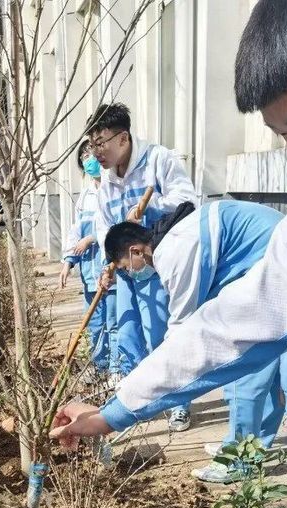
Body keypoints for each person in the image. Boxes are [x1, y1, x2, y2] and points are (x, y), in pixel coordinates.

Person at [50, 0, 287, 508]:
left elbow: (199, 322)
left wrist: (131, 401)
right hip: (269, 303)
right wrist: (119, 407)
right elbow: (228, 325)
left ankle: (244, 454)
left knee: (272, 380)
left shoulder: (178, 243)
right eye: (284, 137)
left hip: (261, 299)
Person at [103, 199, 287, 482]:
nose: (130, 273)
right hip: (272, 262)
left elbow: (182, 329)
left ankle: (239, 457)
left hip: (273, 268)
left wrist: (141, 386)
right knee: (266, 367)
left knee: (246, 369)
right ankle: (254, 447)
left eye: (125, 267)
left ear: (135, 250)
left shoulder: (174, 252)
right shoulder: (176, 235)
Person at [89, 101, 198, 431]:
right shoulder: (107, 181)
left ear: (122, 139)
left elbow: (188, 201)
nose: (96, 153)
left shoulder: (157, 160)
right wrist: (108, 264)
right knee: (128, 335)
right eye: (92, 145)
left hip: (154, 265)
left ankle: (178, 401)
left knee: (160, 336)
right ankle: (137, 400)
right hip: (124, 270)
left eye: (100, 143)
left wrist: (149, 209)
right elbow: (102, 225)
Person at [59, 140, 119, 376]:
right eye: (83, 157)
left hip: (111, 272)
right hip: (89, 274)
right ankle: (100, 367)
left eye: (91, 154)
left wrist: (92, 238)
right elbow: (75, 231)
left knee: (114, 323)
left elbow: (117, 226)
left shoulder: (114, 189)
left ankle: (116, 370)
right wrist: (67, 261)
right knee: (94, 324)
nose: (89, 160)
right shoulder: (85, 195)